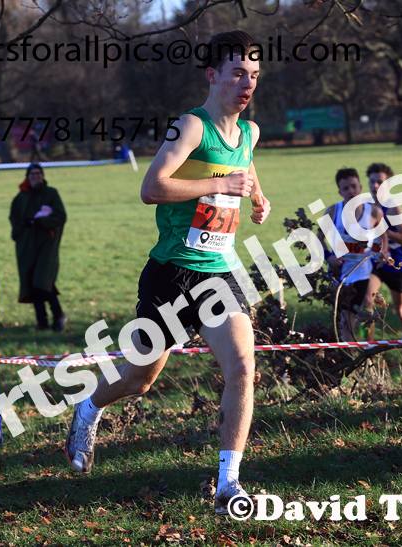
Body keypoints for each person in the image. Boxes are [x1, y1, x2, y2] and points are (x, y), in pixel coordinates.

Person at [63, 30, 272, 516]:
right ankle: (89, 407)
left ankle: (228, 484)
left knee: (243, 368)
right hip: (172, 276)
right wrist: (222, 180)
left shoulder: (251, 131)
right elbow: (152, 187)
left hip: (221, 272)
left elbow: (245, 166)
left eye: (255, 75)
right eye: (238, 73)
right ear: (212, 74)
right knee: (141, 380)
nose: (247, 84)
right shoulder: (190, 127)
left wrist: (258, 197)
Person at [318, 168, 389, 342]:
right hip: (341, 272)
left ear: (360, 187)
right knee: (346, 318)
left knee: (365, 307)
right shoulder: (333, 212)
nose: (350, 191)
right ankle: (349, 353)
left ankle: (369, 345)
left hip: (364, 270)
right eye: (346, 188)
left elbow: (383, 237)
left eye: (353, 186)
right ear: (340, 192)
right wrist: (329, 256)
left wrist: (382, 252)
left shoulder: (373, 213)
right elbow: (319, 238)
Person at [9, 163, 68, 332]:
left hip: (46, 245)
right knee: (31, 283)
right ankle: (42, 323)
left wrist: (40, 222)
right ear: (27, 177)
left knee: (42, 281)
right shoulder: (20, 197)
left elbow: (60, 216)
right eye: (32, 174)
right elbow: (14, 218)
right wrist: (19, 230)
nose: (35, 177)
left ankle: (58, 315)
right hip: (26, 246)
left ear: (43, 176)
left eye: (38, 173)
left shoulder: (50, 193)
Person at [364, 163, 402, 354]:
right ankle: (367, 348)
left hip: (394, 264)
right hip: (374, 263)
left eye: (380, 182)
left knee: (400, 309)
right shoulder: (366, 207)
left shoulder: (393, 208)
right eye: (372, 181)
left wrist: (384, 230)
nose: (375, 185)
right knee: (366, 302)